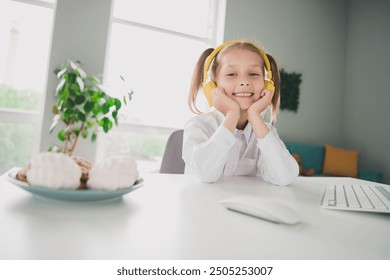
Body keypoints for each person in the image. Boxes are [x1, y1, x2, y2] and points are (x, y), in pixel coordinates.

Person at [182, 40, 299, 186]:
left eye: (253, 74)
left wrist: (255, 115)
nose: (244, 81)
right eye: (231, 74)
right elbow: (205, 173)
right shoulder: (198, 126)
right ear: (213, 85)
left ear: (267, 84)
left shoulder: (266, 132)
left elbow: (285, 177)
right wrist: (232, 114)